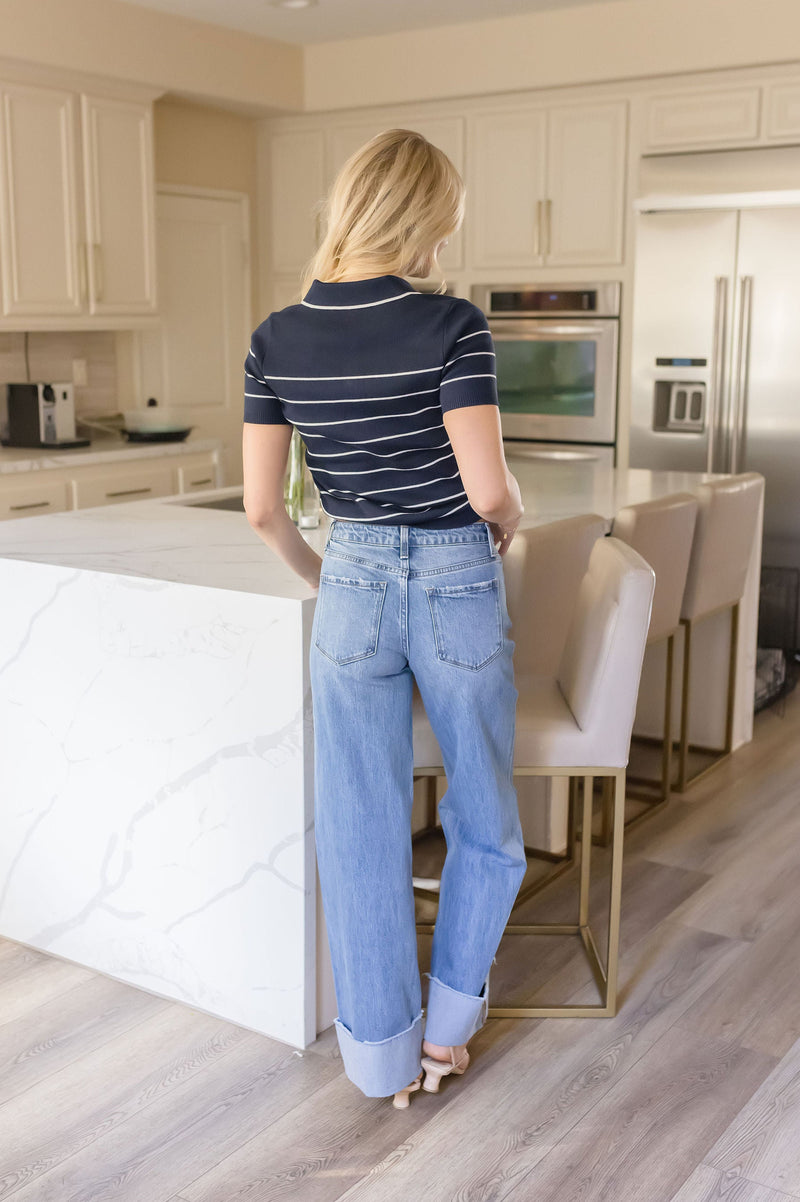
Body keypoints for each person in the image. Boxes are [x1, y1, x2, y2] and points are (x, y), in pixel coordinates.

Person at [242, 128, 527, 1108]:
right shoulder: (452, 325)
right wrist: (508, 522)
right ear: (416, 219)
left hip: (352, 575)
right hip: (453, 571)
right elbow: (487, 491)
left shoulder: (274, 335)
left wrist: (329, 575)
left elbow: (261, 508)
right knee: (481, 817)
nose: (442, 245)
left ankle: (378, 1062)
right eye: (440, 224)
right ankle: (444, 1036)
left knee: (360, 828)